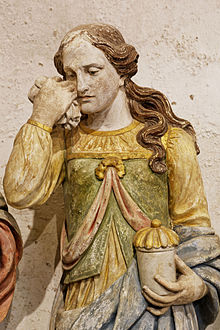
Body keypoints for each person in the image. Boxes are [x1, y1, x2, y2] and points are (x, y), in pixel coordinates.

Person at [3, 24, 220, 330]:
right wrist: (41, 117)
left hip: (154, 304)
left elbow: (196, 230)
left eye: (93, 71)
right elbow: (19, 192)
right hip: (82, 303)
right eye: (70, 75)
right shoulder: (66, 140)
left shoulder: (168, 141)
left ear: (122, 73)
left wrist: (200, 284)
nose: (81, 85)